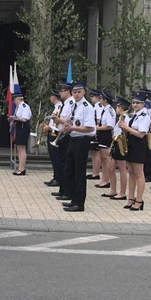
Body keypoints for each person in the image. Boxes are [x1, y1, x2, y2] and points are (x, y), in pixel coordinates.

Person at [58, 83, 96, 212]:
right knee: (69, 170)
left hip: (82, 140)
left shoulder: (87, 107)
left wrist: (72, 128)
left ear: (84, 92)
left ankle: (79, 203)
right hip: (73, 139)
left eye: (79, 92)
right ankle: (73, 198)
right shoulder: (74, 105)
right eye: (74, 92)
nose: (76, 94)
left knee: (79, 173)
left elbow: (90, 128)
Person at [119, 92, 150, 212]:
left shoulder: (144, 116)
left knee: (138, 173)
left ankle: (139, 200)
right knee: (131, 172)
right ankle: (131, 198)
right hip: (130, 142)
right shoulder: (132, 115)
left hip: (138, 144)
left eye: (138, 103)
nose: (135, 105)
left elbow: (141, 134)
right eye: (134, 102)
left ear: (143, 104)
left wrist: (126, 128)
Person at [50, 83, 74, 199]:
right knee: (60, 163)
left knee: (64, 164)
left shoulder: (71, 103)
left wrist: (58, 120)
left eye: (62, 91)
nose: (60, 93)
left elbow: (69, 120)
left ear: (68, 91)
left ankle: (67, 191)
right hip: (61, 135)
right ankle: (62, 189)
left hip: (66, 135)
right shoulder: (65, 104)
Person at [104, 98, 131, 201]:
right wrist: (111, 146)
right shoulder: (120, 118)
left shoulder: (126, 118)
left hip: (121, 144)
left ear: (121, 108)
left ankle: (122, 193)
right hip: (116, 143)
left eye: (117, 107)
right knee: (110, 168)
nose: (116, 108)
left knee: (122, 169)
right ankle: (113, 190)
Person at [94, 90, 116, 189]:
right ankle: (104, 179)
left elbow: (110, 125)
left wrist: (98, 128)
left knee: (106, 158)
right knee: (102, 158)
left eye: (101, 98)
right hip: (102, 134)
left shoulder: (110, 110)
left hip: (106, 135)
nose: (100, 100)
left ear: (105, 100)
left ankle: (107, 180)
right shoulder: (105, 109)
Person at [42, 89, 64, 188]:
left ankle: (58, 178)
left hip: (55, 133)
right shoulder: (56, 107)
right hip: (51, 132)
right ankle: (56, 176)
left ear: (54, 97)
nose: (50, 98)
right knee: (53, 157)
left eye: (51, 96)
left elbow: (57, 122)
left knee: (56, 157)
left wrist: (49, 127)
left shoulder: (60, 106)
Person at [11, 91, 32, 176]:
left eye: (14, 99)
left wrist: (16, 118)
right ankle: (19, 167)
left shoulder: (24, 106)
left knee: (22, 148)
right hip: (19, 127)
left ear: (17, 99)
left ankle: (22, 168)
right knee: (19, 148)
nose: (13, 101)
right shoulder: (19, 106)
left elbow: (24, 119)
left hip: (23, 127)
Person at [86, 90, 103, 181]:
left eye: (92, 97)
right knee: (93, 152)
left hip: (97, 131)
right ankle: (94, 171)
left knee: (96, 153)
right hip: (95, 130)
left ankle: (96, 172)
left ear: (97, 97)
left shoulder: (98, 106)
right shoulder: (95, 106)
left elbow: (98, 119)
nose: (91, 99)